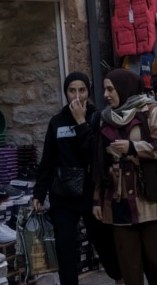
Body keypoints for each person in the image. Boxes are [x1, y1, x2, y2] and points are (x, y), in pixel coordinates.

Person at [93, 69, 157, 285]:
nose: (106, 94)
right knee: (129, 263)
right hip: (119, 199)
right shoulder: (104, 118)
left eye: (110, 89)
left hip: (151, 196)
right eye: (105, 89)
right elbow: (99, 164)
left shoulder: (151, 109)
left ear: (124, 89)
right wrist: (97, 199)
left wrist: (133, 147)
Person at [32, 73, 121, 285]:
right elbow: (48, 160)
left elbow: (96, 155)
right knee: (65, 248)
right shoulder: (57, 122)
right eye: (72, 90)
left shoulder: (96, 118)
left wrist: (81, 122)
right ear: (66, 93)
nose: (77, 96)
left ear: (88, 92)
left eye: (82, 90)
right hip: (63, 195)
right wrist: (39, 191)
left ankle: (119, 276)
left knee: (104, 242)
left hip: (91, 193)